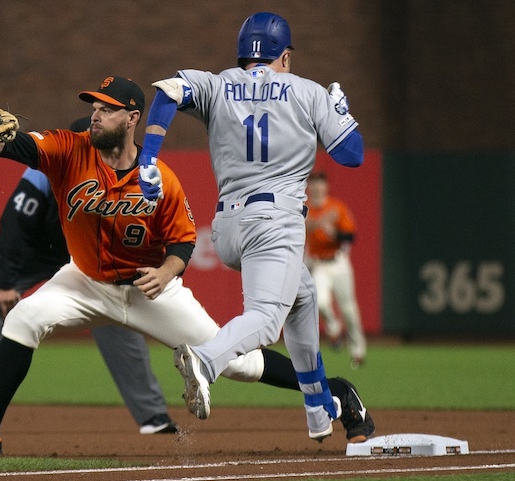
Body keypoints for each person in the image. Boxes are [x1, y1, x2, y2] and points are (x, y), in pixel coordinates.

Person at [0, 75, 374, 457]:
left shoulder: (161, 178)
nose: (94, 116)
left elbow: (184, 240)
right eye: (92, 108)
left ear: (132, 119)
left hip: (152, 291)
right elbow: (21, 144)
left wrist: (168, 272)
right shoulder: (67, 150)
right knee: (23, 318)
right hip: (85, 281)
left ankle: (335, 391)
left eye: (106, 110)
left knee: (241, 365)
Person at [137, 12, 372, 443]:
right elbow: (352, 156)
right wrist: (343, 112)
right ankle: (205, 362)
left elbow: (169, 92)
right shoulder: (308, 92)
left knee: (303, 295)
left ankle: (319, 409)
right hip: (275, 221)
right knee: (265, 320)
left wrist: (148, 157)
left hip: (228, 226)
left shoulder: (218, 83)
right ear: (284, 56)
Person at [0, 115, 178, 436]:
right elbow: (14, 226)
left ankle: (153, 416)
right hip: (35, 255)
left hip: (84, 258)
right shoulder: (44, 170)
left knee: (119, 322)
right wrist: (5, 284)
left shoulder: (117, 174)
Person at [305, 170, 367, 368]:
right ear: (309, 187)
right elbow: (300, 226)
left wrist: (335, 233)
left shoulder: (337, 208)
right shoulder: (304, 209)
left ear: (326, 187)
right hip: (318, 264)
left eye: (320, 184)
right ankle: (333, 326)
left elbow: (350, 236)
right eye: (313, 184)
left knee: (348, 309)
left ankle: (358, 351)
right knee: (321, 302)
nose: (316, 188)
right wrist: (318, 223)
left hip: (338, 262)